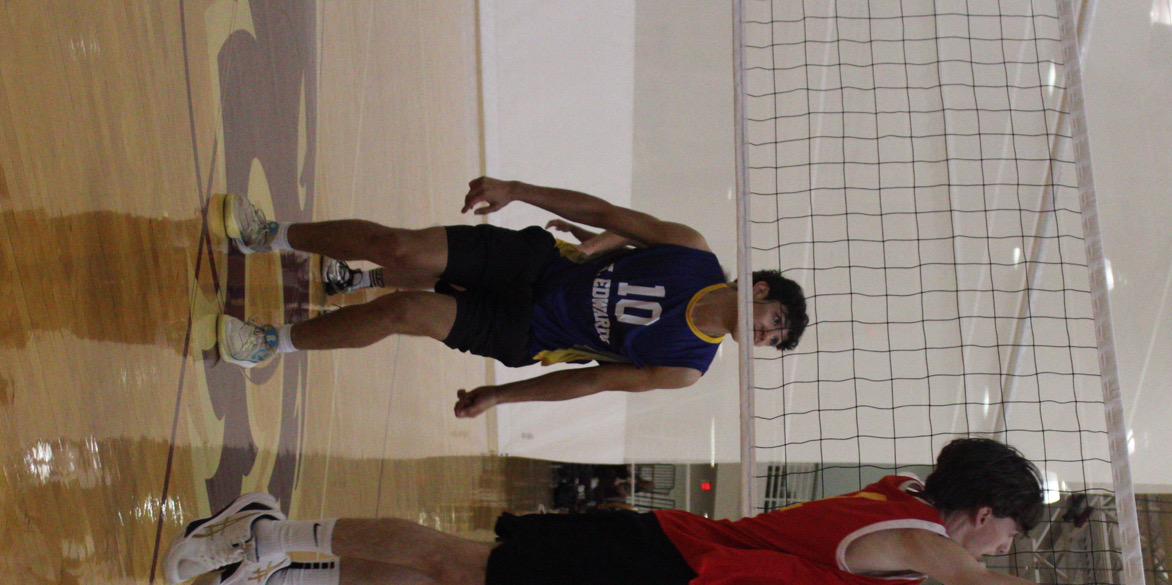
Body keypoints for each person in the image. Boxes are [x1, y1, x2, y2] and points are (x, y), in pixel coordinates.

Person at [162, 438, 1172, 585]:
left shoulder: (916, 521)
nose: (999, 554)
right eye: (1005, 535)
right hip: (662, 557)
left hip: (670, 584)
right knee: (455, 562)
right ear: (982, 514)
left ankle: (280, 579)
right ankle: (272, 531)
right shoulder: (916, 535)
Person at [212, 178, 807, 411]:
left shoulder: (686, 367)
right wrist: (517, 189)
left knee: (403, 310)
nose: (765, 335)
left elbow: (589, 382)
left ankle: (268, 343)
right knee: (398, 247)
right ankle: (270, 235)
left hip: (529, 333)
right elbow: (605, 214)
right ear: (758, 289)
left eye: (772, 341)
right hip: (538, 263)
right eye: (774, 320)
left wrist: (500, 395)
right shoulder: (692, 251)